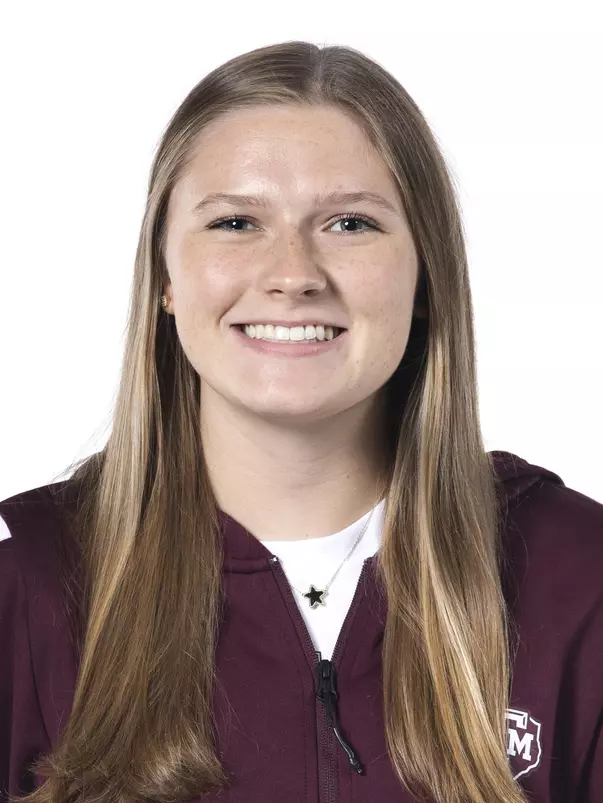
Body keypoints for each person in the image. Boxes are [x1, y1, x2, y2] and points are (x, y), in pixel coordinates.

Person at [1, 40, 602, 803]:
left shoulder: (579, 576)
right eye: (234, 222)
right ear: (164, 278)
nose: (292, 274)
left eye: (350, 223)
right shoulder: (27, 582)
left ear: (425, 275)